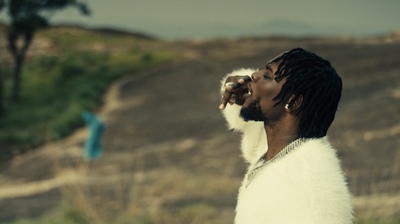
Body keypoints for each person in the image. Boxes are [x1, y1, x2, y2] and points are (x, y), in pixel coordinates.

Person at [219, 48, 353, 224]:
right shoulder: (280, 151)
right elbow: (247, 125)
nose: (254, 75)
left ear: (293, 101)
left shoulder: (310, 189)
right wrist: (239, 89)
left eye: (268, 76)